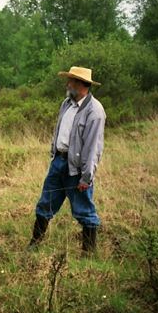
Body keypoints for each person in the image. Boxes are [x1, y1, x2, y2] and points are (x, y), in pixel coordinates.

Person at [29, 66, 106, 255]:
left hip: (77, 170)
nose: (67, 83)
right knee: (45, 203)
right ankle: (34, 245)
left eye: (71, 80)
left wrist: (86, 177)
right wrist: (54, 154)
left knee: (84, 210)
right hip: (58, 163)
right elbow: (59, 131)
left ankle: (88, 253)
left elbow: (93, 148)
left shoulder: (94, 111)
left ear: (81, 85)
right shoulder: (67, 103)